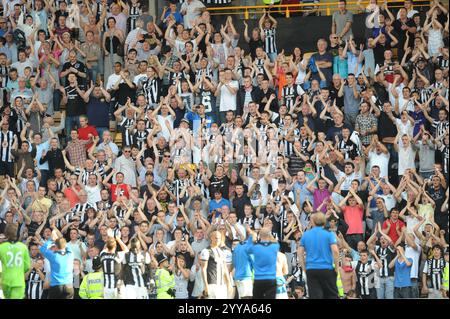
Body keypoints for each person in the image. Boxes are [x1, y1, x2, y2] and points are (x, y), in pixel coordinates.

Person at [298, 212, 340, 299]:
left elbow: (300, 252)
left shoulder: (306, 235)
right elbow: (335, 251)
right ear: (324, 222)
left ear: (313, 221)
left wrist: (304, 268)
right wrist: (336, 267)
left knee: (315, 296)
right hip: (326, 269)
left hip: (311, 269)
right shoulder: (329, 234)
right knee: (331, 296)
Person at [245, 226, 279, 299]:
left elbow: (247, 249)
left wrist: (251, 235)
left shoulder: (255, 247)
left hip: (258, 279)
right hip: (271, 278)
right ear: (269, 234)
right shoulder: (275, 246)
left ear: (259, 235)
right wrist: (269, 234)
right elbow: (274, 240)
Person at [39, 229, 75, 299]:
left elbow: (42, 249)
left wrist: (51, 239)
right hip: (69, 286)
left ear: (56, 246)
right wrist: (58, 239)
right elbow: (65, 246)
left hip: (56, 286)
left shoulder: (53, 255)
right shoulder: (70, 254)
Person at [0, 224, 31, 299]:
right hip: (18, 281)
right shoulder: (23, 247)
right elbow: (27, 266)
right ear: (17, 233)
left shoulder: (2, 247)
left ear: (6, 233)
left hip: (5, 281)